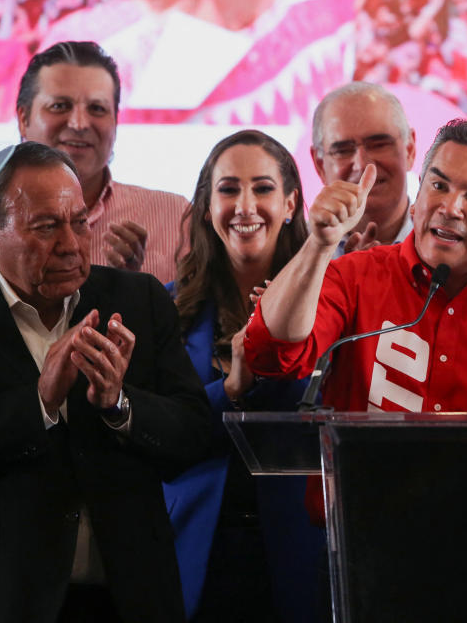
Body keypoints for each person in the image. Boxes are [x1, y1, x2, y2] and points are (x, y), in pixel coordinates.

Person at [0, 141, 212, 622]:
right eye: (47, 227)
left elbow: (194, 435)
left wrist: (119, 405)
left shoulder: (138, 300)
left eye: (79, 221)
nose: (72, 244)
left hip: (128, 595)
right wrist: (38, 403)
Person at [246, 117, 467, 417]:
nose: (450, 207)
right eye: (438, 185)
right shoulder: (354, 278)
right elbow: (272, 354)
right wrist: (319, 244)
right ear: (417, 199)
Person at [164, 130, 315, 621]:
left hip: (300, 558)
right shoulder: (166, 309)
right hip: (193, 555)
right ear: (208, 206)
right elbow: (157, 436)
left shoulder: (333, 306)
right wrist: (231, 389)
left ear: (290, 203)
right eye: (228, 189)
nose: (245, 205)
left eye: (263, 188)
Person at [0, 40, 188, 288]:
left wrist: (135, 292)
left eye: (97, 109)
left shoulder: (175, 218)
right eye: (59, 106)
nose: (79, 124)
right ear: (23, 118)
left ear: (116, 123)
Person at [310, 81, 417, 256]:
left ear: (409, 150)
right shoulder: (292, 254)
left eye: (379, 145)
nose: (362, 165)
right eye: (343, 151)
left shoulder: (449, 248)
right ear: (320, 165)